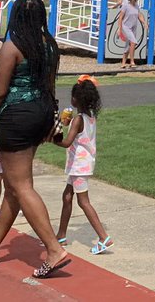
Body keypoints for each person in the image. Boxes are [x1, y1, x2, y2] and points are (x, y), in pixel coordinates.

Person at [0, 0, 69, 278]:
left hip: (17, 119)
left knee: (22, 186)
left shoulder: (13, 47)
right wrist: (52, 119)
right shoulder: (50, 45)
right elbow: (49, 86)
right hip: (41, 113)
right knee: (14, 187)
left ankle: (53, 249)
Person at [54, 76, 112, 254]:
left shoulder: (78, 119)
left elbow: (67, 142)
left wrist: (52, 137)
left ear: (76, 99)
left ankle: (103, 238)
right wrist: (67, 123)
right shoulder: (89, 116)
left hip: (79, 166)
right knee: (67, 196)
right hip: (79, 164)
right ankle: (61, 235)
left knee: (83, 201)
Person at [119, 0, 147, 71]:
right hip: (126, 27)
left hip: (133, 27)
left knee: (128, 45)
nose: (136, 1)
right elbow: (120, 18)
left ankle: (123, 63)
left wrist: (144, 22)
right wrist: (120, 29)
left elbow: (139, 15)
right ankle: (132, 61)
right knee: (133, 42)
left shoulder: (136, 6)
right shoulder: (126, 6)